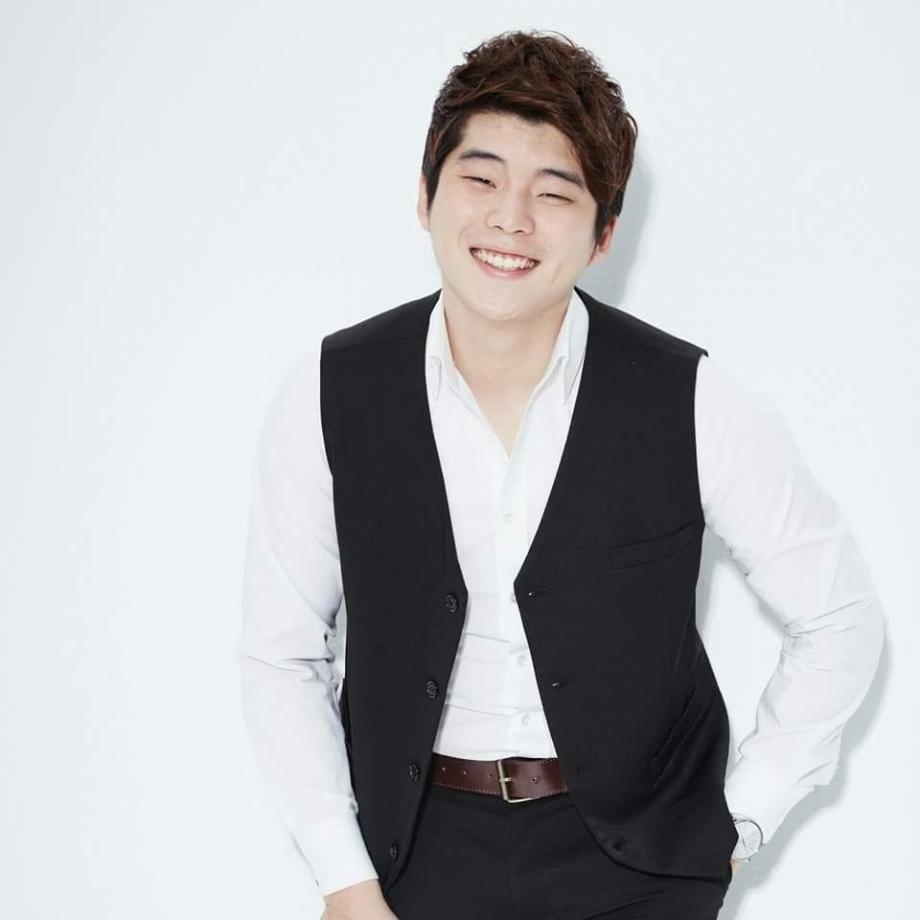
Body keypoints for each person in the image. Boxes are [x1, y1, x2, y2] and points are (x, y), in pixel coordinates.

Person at [237, 29, 885, 920]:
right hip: (408, 859)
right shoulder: (329, 390)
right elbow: (282, 652)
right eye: (481, 179)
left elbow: (840, 617)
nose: (511, 219)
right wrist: (342, 879)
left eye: (553, 193)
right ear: (425, 195)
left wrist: (736, 825)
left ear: (604, 233)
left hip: (638, 866)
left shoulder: (696, 400)